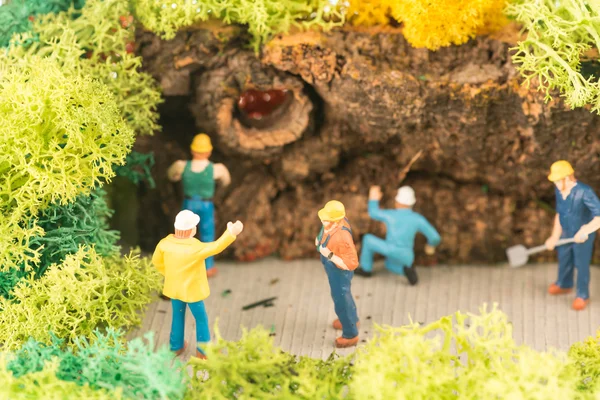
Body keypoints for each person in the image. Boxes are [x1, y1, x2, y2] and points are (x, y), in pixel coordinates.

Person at [152, 210, 243, 358]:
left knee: (177, 316)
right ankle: (203, 351)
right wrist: (231, 232)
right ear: (191, 230)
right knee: (201, 319)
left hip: (174, 289)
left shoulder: (164, 244)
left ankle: (175, 346)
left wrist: (169, 275)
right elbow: (216, 247)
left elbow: (156, 262)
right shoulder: (195, 248)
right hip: (192, 292)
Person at [167, 133, 231, 278]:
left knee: (183, 236)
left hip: (189, 203)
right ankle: (208, 267)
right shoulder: (217, 169)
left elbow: (171, 175)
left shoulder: (181, 166)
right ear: (209, 151)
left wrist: (179, 177)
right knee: (207, 235)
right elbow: (226, 181)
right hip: (206, 204)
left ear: (192, 150)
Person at [355, 185, 440, 285]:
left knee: (368, 239)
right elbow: (435, 237)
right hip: (407, 255)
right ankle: (406, 270)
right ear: (412, 203)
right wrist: (430, 246)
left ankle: (366, 269)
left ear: (398, 202)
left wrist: (373, 198)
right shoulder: (417, 219)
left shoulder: (391, 215)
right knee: (391, 264)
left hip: (390, 249)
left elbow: (373, 213)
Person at [544, 160, 600, 311]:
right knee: (564, 258)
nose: (555, 184)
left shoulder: (584, 192)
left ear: (567, 178)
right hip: (566, 233)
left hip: (582, 238)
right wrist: (554, 236)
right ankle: (564, 284)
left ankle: (582, 295)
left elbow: (599, 217)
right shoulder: (559, 192)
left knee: (581, 265)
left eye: (557, 181)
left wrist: (585, 230)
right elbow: (559, 214)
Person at [316, 200, 360, 348]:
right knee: (345, 297)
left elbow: (351, 263)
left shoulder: (343, 237)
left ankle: (350, 334)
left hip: (340, 272)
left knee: (341, 300)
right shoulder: (330, 226)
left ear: (336, 221)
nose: (323, 221)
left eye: (326, 220)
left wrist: (329, 256)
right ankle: (352, 319)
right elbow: (323, 235)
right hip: (331, 268)